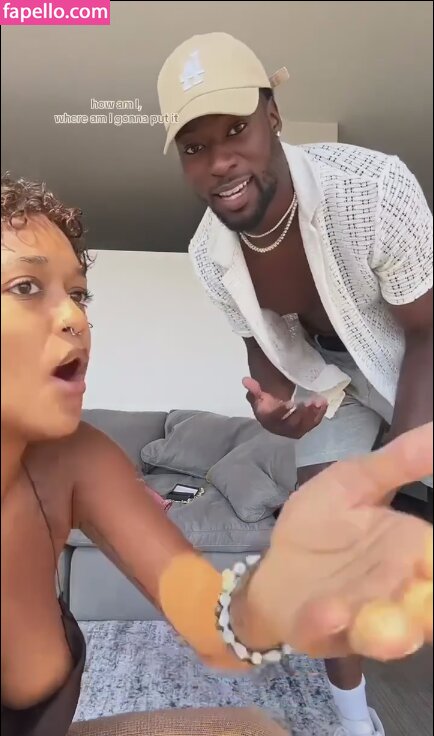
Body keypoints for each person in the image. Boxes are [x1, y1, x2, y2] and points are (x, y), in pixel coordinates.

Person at [1, 175, 432, 736]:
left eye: (78, 294)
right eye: (26, 287)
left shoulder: (79, 461)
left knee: (251, 728)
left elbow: (220, 627)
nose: (75, 319)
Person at [157, 32, 434, 736]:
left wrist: (388, 473)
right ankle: (356, 723)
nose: (220, 160)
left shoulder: (373, 189)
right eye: (195, 146)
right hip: (332, 380)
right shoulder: (208, 255)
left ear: (273, 115)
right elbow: (266, 354)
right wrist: (275, 411)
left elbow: (426, 332)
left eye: (236, 130)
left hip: (418, 353)